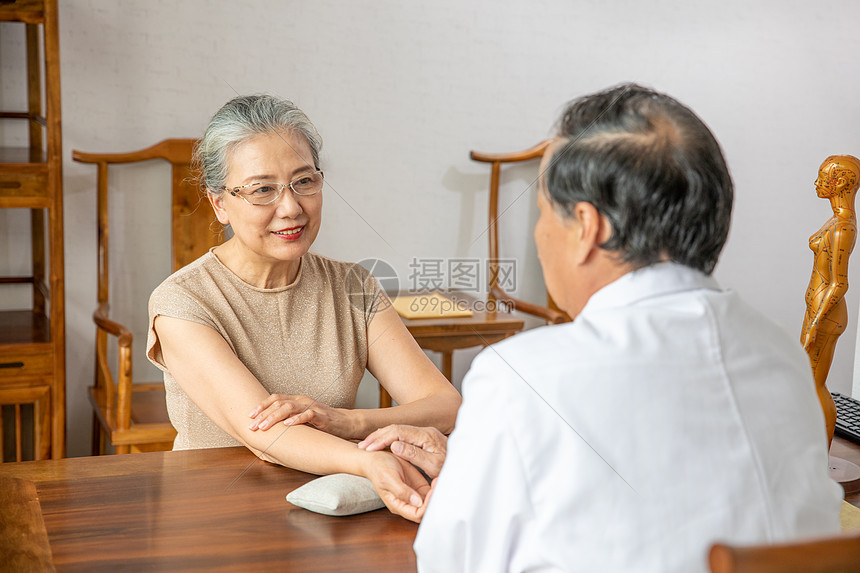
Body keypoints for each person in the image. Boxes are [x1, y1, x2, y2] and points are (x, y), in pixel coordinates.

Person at [359, 84, 844, 571]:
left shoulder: (522, 378)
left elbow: (452, 562)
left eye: (542, 212)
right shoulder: (783, 356)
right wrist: (476, 467)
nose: (538, 233)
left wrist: (463, 486)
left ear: (587, 228)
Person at [146, 94, 460, 508]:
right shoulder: (183, 301)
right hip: (214, 513)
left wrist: (349, 421)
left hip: (330, 507)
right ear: (220, 203)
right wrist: (368, 462)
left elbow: (446, 405)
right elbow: (268, 434)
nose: (291, 207)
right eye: (262, 190)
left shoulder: (354, 285)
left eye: (304, 182)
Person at [801, 154, 860, 447]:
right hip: (819, 310)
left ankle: (819, 454)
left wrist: (814, 323)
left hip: (826, 314)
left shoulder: (843, 227)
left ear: (841, 184)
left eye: (823, 178)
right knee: (808, 382)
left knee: (814, 384)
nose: (817, 183)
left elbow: (839, 283)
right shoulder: (837, 220)